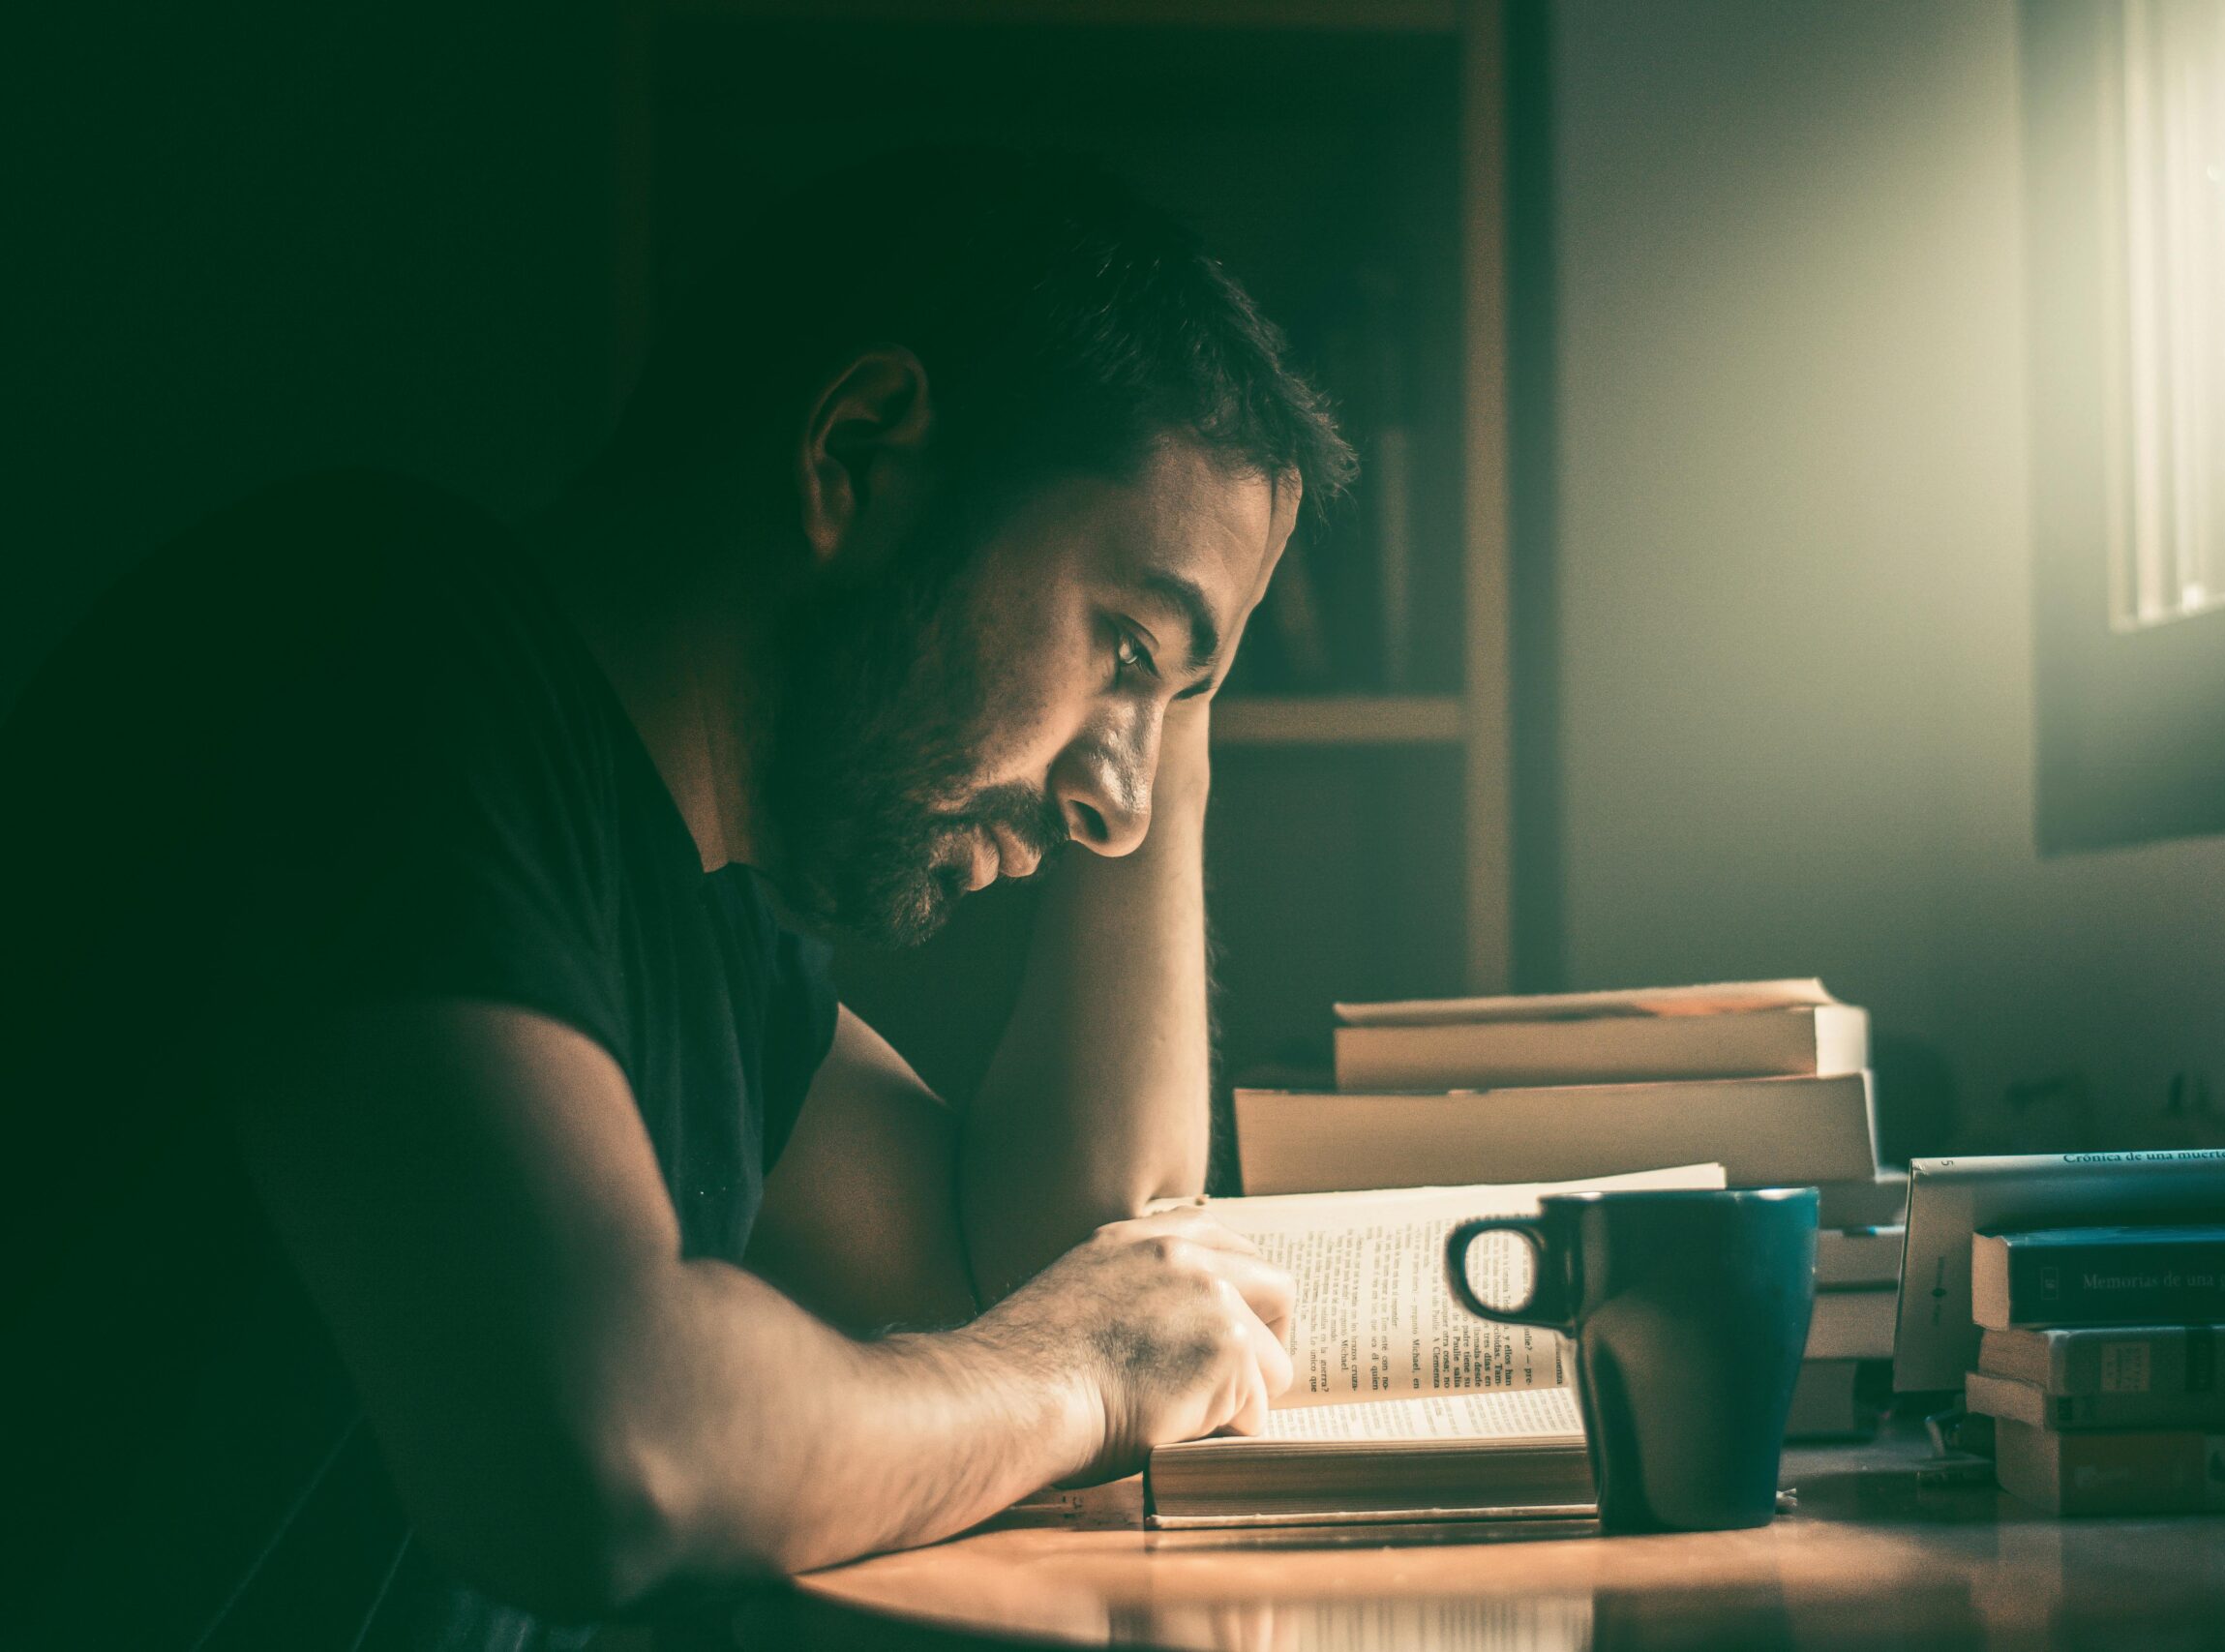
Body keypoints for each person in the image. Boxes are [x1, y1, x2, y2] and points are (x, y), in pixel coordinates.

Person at [1, 148, 1354, 1649]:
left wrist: (1183, 669)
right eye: (1118, 645)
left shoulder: (714, 936)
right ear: (852, 452)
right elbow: (611, 1453)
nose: (1121, 802)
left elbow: (1064, 1263)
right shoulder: (372, 664)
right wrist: (1078, 1377)